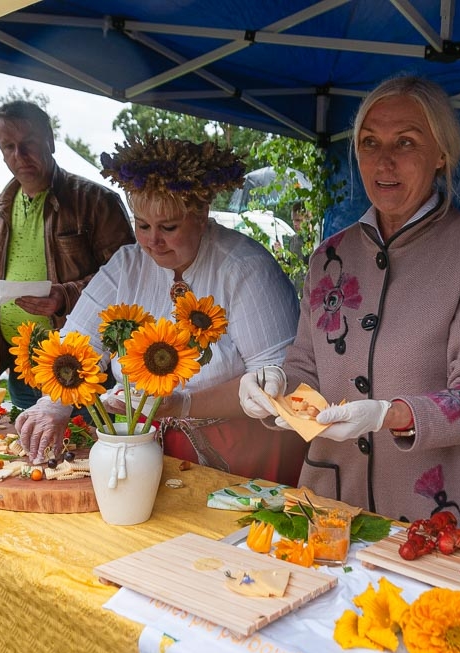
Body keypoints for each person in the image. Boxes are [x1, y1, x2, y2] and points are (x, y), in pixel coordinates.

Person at [239, 76, 460, 544]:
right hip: (339, 503)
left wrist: (386, 415)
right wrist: (273, 385)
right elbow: (306, 367)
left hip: (446, 510)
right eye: (370, 142)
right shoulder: (327, 257)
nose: (384, 160)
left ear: (442, 155)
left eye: (406, 142)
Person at [17, 136, 306, 486]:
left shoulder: (245, 267)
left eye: (168, 227)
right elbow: (78, 344)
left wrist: (183, 404)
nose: (153, 241)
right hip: (148, 443)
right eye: (142, 225)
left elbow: (275, 383)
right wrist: (55, 404)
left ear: (200, 214)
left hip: (244, 450)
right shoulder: (126, 265)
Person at [0, 100, 134, 409]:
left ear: (50, 141)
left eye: (28, 144)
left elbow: (128, 276)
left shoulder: (95, 202)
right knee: (26, 453)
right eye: (8, 146)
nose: (19, 156)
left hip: (80, 362)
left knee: (82, 452)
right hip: (20, 363)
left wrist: (63, 296)